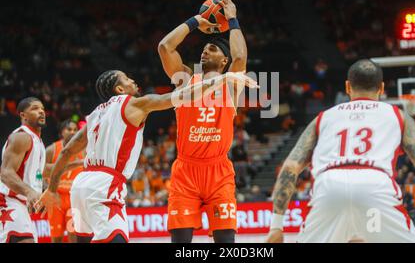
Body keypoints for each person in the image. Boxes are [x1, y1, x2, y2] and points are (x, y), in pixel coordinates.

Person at [37, 69, 256, 243]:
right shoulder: (134, 103)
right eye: (128, 79)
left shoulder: (95, 114)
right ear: (120, 88)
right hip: (104, 185)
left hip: (80, 185)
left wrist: (52, 188)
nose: (134, 81)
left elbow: (66, 152)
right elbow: (182, 96)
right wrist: (222, 79)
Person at [267, 59, 415, 243]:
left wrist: (276, 226)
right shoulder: (397, 115)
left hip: (329, 187)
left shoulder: (324, 118)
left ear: (347, 87)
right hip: (374, 186)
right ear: (382, 87)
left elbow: (290, 166)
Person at [158, 0, 248, 243]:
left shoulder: (231, 84)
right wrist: (196, 21)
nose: (205, 50)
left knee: (226, 244)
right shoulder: (186, 81)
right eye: (204, 48)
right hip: (186, 171)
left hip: (219, 172)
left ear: (224, 61)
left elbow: (240, 58)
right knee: (182, 246)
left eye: (213, 49)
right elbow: (165, 47)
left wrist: (232, 19)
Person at [0, 97, 46, 243]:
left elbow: (41, 170)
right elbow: (6, 173)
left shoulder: (37, 140)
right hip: (7, 201)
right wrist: (29, 192)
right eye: (34, 108)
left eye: (42, 109)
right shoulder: (22, 137)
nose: (41, 111)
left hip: (21, 205)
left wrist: (71, 165)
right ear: (23, 115)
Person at [43, 119, 85, 243]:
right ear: (62, 132)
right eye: (69, 129)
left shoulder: (84, 150)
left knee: (73, 236)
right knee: (56, 237)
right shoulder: (52, 150)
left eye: (75, 129)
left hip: (74, 199)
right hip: (56, 198)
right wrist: (47, 189)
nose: (72, 132)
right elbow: (39, 173)